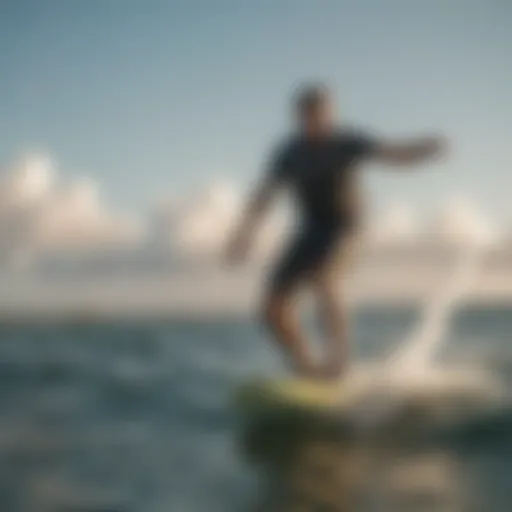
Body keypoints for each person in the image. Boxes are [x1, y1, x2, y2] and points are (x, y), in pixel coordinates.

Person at [225, 84, 446, 379]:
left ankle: (339, 364)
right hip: (309, 231)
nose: (317, 120)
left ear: (330, 113)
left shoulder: (346, 142)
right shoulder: (289, 152)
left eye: (322, 113)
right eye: (309, 114)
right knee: (271, 307)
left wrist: (423, 150)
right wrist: (243, 234)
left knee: (324, 279)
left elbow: (390, 154)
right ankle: (306, 366)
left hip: (346, 229)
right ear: (299, 116)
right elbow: (265, 194)